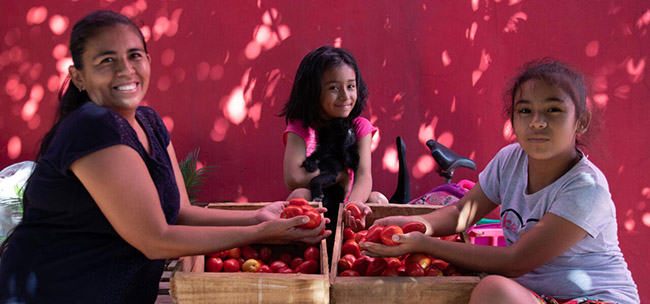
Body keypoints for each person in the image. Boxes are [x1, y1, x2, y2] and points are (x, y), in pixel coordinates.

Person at [0, 10, 329, 303]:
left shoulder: (149, 122)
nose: (125, 70)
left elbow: (182, 212)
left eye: (134, 56)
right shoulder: (93, 127)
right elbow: (155, 239)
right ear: (78, 77)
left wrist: (258, 217)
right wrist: (262, 234)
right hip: (52, 291)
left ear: (148, 60)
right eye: (106, 60)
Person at [360, 59, 639, 304]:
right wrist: (405, 225)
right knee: (492, 291)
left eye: (553, 110)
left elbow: (515, 262)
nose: (537, 122)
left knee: (492, 288)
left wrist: (423, 243)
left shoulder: (586, 189)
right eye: (525, 111)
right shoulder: (510, 160)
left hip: (596, 299)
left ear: (581, 122)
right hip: (539, 297)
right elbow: (461, 213)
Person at [280, 45, 388, 233]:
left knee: (378, 200)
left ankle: (367, 251)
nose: (345, 96)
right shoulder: (300, 129)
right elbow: (294, 178)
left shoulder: (359, 126)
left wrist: (352, 206)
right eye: (334, 88)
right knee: (298, 195)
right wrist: (339, 175)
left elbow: (363, 175)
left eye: (351, 86)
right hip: (319, 199)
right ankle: (310, 254)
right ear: (313, 92)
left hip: (352, 197)